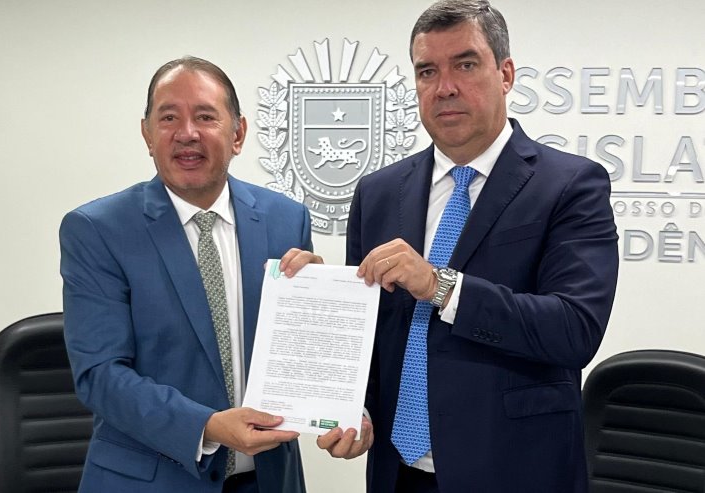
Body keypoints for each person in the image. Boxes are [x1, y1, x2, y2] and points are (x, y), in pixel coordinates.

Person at [315, 1, 619, 492]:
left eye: (465, 64)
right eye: (427, 71)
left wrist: (442, 287)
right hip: (398, 472)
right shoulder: (378, 192)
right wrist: (356, 408)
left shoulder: (570, 185)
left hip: (513, 471)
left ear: (506, 74)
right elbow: (368, 333)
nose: (445, 87)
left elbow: (574, 330)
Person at [59, 56, 318, 493]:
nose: (186, 133)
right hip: (150, 483)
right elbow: (100, 375)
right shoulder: (98, 230)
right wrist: (208, 426)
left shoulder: (286, 220)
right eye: (168, 118)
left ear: (238, 134)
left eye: (205, 116)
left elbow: (299, 355)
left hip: (270, 479)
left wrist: (321, 308)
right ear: (147, 134)